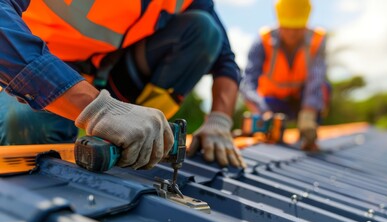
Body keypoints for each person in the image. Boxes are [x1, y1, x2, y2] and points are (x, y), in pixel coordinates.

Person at [0, 0, 245, 169]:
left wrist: (219, 121)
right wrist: (98, 110)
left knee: (203, 30)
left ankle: (139, 134)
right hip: (40, 69)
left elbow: (225, 59)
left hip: (111, 71)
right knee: (21, 124)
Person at [240, 0, 330, 151]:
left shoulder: (317, 40)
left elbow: (316, 78)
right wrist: (262, 109)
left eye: (298, 28)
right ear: (280, 24)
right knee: (270, 128)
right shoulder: (263, 40)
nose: (292, 34)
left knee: (324, 88)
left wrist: (309, 111)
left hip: (302, 100)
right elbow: (248, 81)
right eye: (287, 28)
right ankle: (270, 132)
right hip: (272, 102)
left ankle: (308, 136)